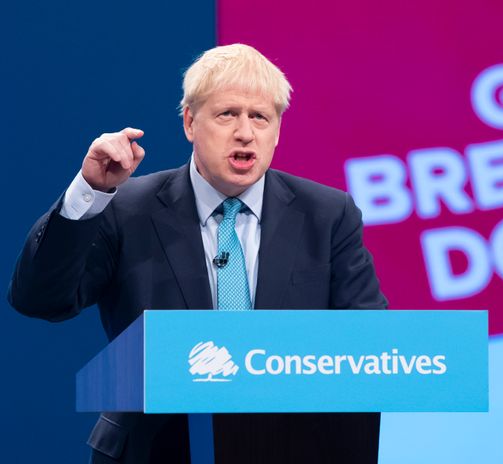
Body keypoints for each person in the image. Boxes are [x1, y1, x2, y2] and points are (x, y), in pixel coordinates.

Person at [8, 43, 387, 464]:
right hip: (156, 450)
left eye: (260, 117)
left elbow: (367, 348)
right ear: (190, 122)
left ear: (277, 131)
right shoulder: (127, 209)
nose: (246, 132)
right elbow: (40, 299)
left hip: (293, 447)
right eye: (228, 114)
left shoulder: (328, 214)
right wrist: (90, 191)